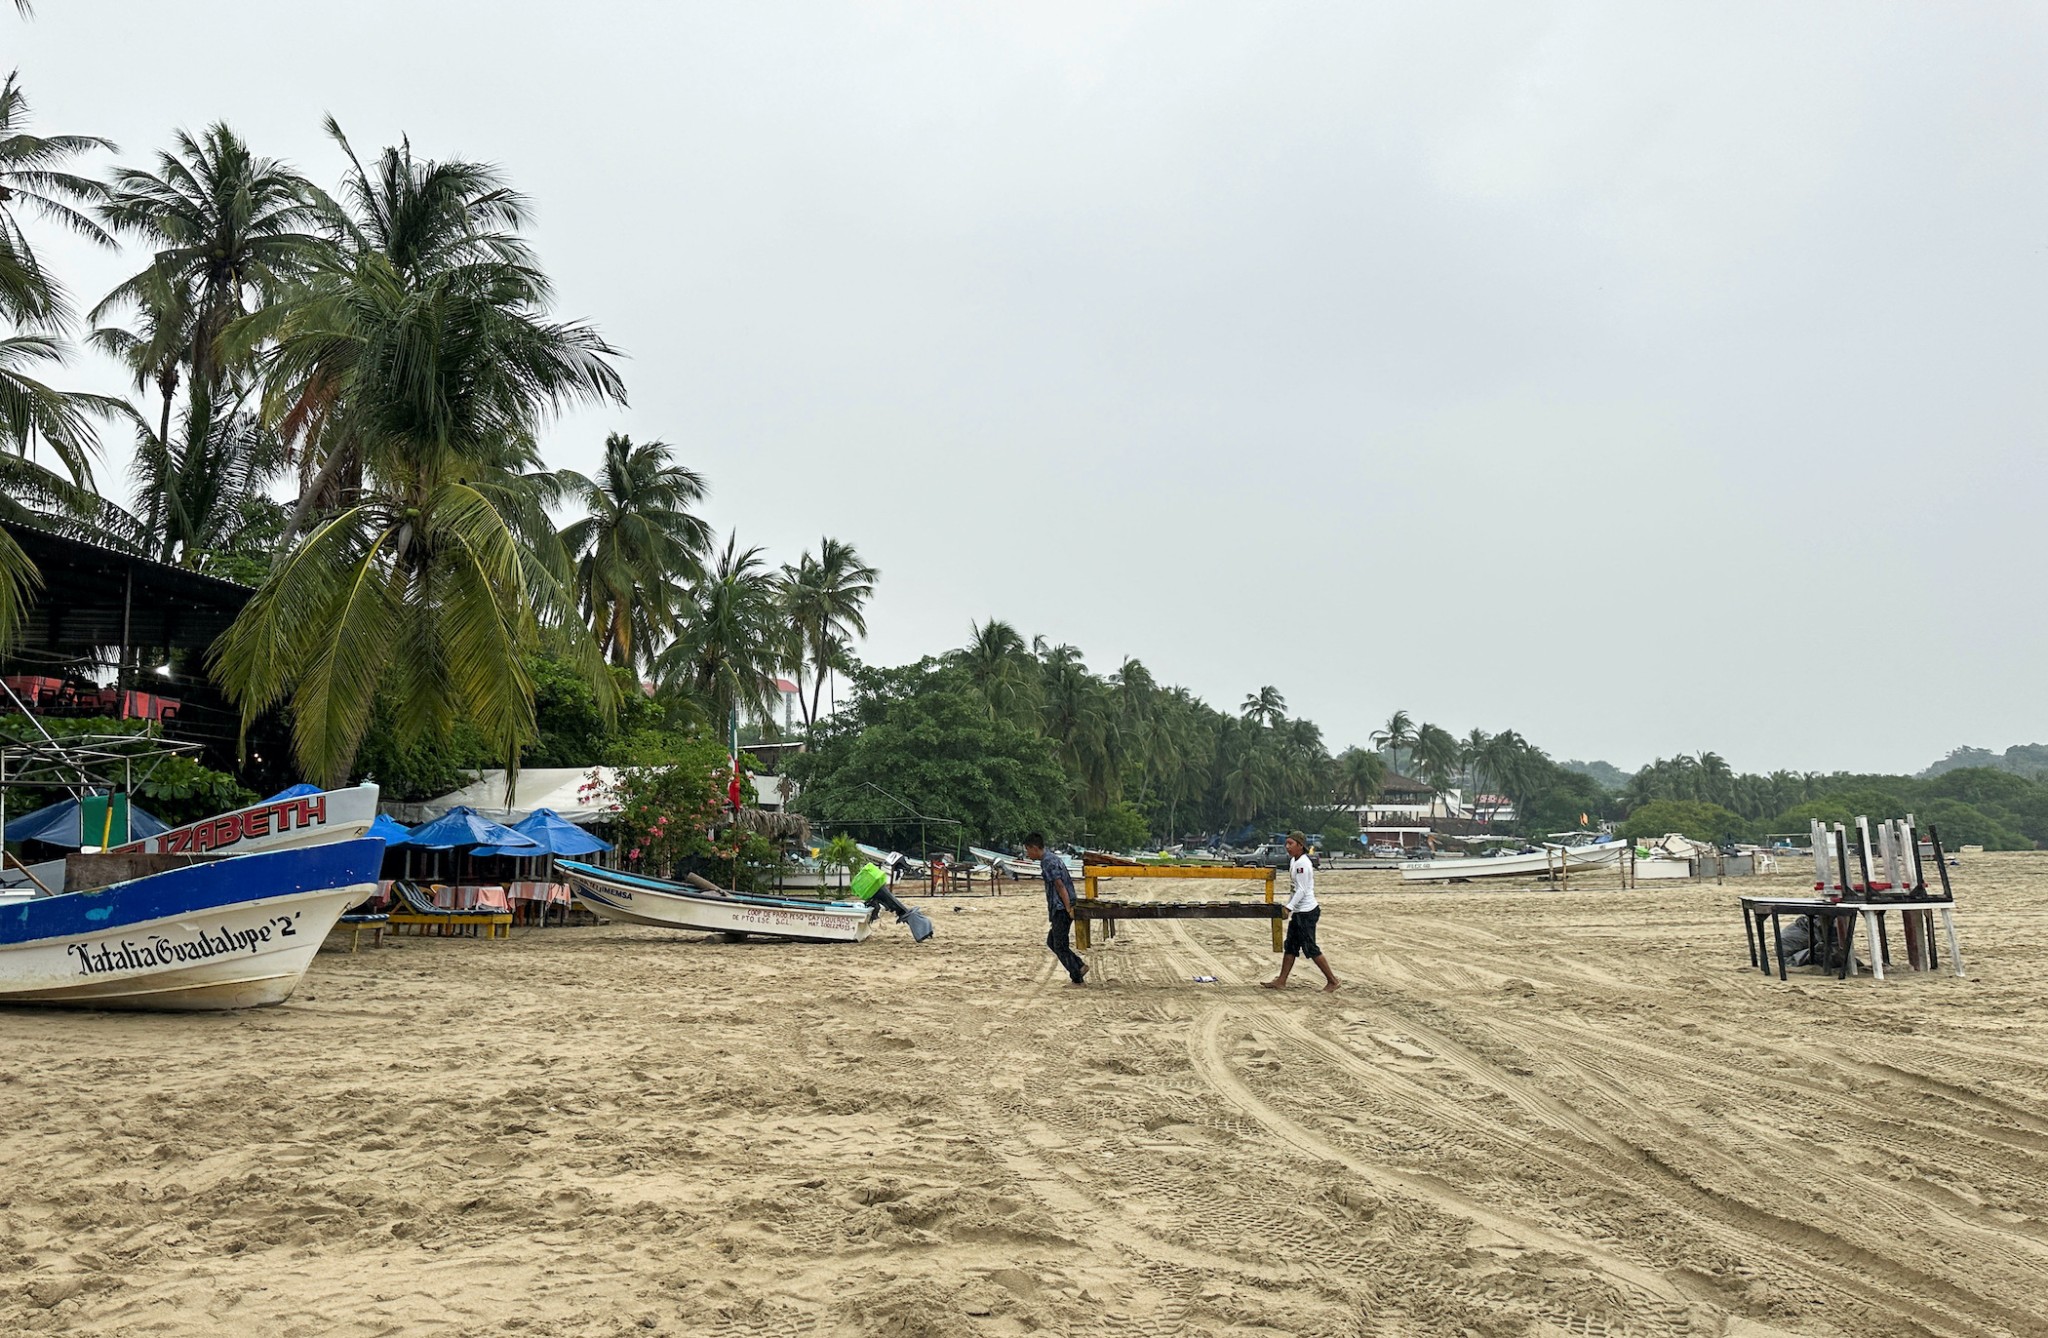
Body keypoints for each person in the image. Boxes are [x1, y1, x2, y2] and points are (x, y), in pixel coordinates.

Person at [1263, 830, 1339, 992]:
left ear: (1300, 846)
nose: (1287, 847)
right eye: (1286, 843)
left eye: (1291, 844)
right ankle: (1281, 980)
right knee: (1290, 946)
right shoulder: (1294, 862)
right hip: (1299, 911)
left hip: (1307, 912)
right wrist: (1289, 905)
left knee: (1310, 948)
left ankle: (1332, 981)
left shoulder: (1303, 864)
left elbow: (1302, 890)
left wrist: (1289, 908)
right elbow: (1294, 890)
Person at [1024, 832, 1087, 986]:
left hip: (1061, 908)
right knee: (1052, 941)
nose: (1027, 854)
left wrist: (1068, 909)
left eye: (1027, 850)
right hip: (1060, 907)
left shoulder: (1048, 862)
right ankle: (1078, 967)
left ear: (1034, 848)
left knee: (1059, 944)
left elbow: (1060, 886)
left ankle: (1077, 971)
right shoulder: (1050, 859)